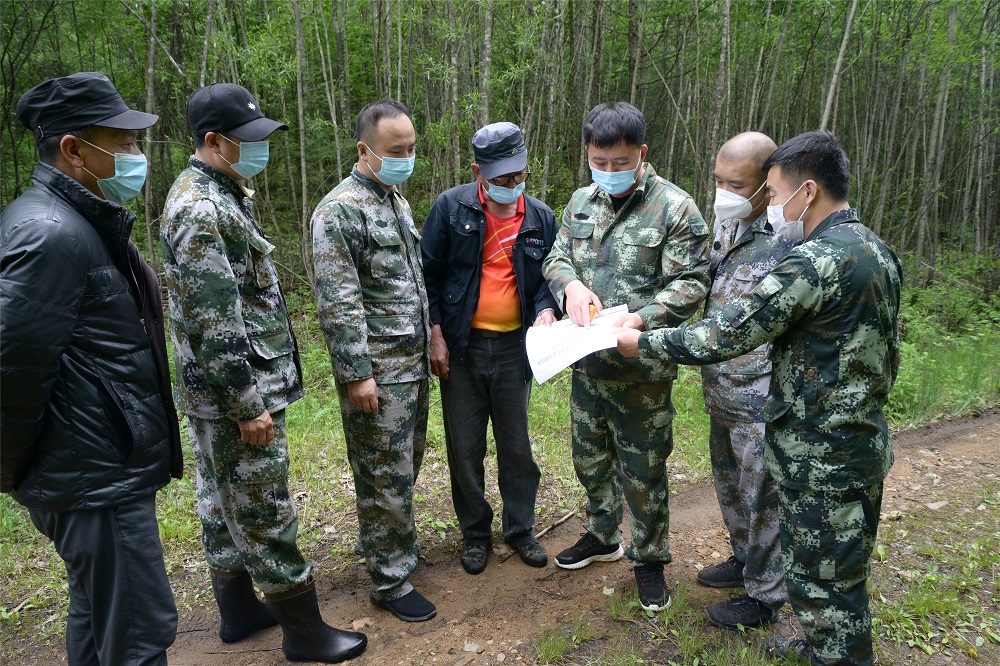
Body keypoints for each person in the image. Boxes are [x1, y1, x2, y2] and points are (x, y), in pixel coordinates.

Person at [615, 130, 901, 665]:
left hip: (823, 449)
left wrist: (644, 342)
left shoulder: (813, 261)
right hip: (851, 436)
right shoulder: (871, 248)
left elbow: (730, 332)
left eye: (773, 192)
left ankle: (836, 653)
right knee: (829, 572)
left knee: (829, 578)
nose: (770, 203)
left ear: (808, 192)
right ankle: (820, 644)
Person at [160, 82, 366, 663]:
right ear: (213, 141)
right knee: (263, 506)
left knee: (220, 500)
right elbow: (213, 322)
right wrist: (246, 404)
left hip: (220, 392)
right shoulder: (201, 209)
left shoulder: (220, 193)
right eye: (247, 139)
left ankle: (239, 611)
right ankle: (305, 633)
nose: (259, 148)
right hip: (234, 393)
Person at [1, 71, 182, 665]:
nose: (136, 155)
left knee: (99, 618)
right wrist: (24, 472)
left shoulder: (78, 220)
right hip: (93, 477)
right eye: (123, 143)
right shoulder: (49, 234)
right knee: (138, 634)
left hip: (94, 470)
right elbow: (11, 371)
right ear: (74, 150)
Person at [541, 102, 711, 611]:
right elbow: (557, 256)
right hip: (587, 363)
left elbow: (692, 282)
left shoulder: (675, 208)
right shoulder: (581, 201)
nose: (609, 171)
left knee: (644, 468)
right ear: (588, 155)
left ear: (642, 153)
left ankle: (650, 558)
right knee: (590, 459)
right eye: (599, 162)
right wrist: (570, 286)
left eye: (620, 162)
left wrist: (640, 318)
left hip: (642, 368)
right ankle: (602, 534)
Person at [310, 98, 436, 623]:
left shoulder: (394, 200)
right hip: (378, 374)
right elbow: (338, 303)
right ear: (365, 150)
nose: (407, 158)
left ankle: (391, 547)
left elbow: (412, 282)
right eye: (396, 150)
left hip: (411, 367)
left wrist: (432, 338)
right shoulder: (339, 211)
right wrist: (357, 375)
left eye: (411, 148)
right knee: (383, 476)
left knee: (402, 470)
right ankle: (389, 579)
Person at [421, 122, 560, 575]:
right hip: (462, 347)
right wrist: (436, 334)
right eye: (502, 177)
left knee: (516, 445)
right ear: (478, 171)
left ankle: (520, 529)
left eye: (519, 175)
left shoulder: (541, 217)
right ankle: (476, 534)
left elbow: (551, 277)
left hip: (516, 348)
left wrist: (546, 308)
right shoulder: (451, 207)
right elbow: (429, 275)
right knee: (464, 447)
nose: (512, 184)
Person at [696, 132, 797, 631]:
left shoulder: (789, 237)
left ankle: (765, 595)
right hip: (721, 384)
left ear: (765, 184)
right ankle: (743, 559)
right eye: (718, 181)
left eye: (736, 185)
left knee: (762, 493)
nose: (724, 193)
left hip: (760, 393)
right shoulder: (726, 225)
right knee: (730, 483)